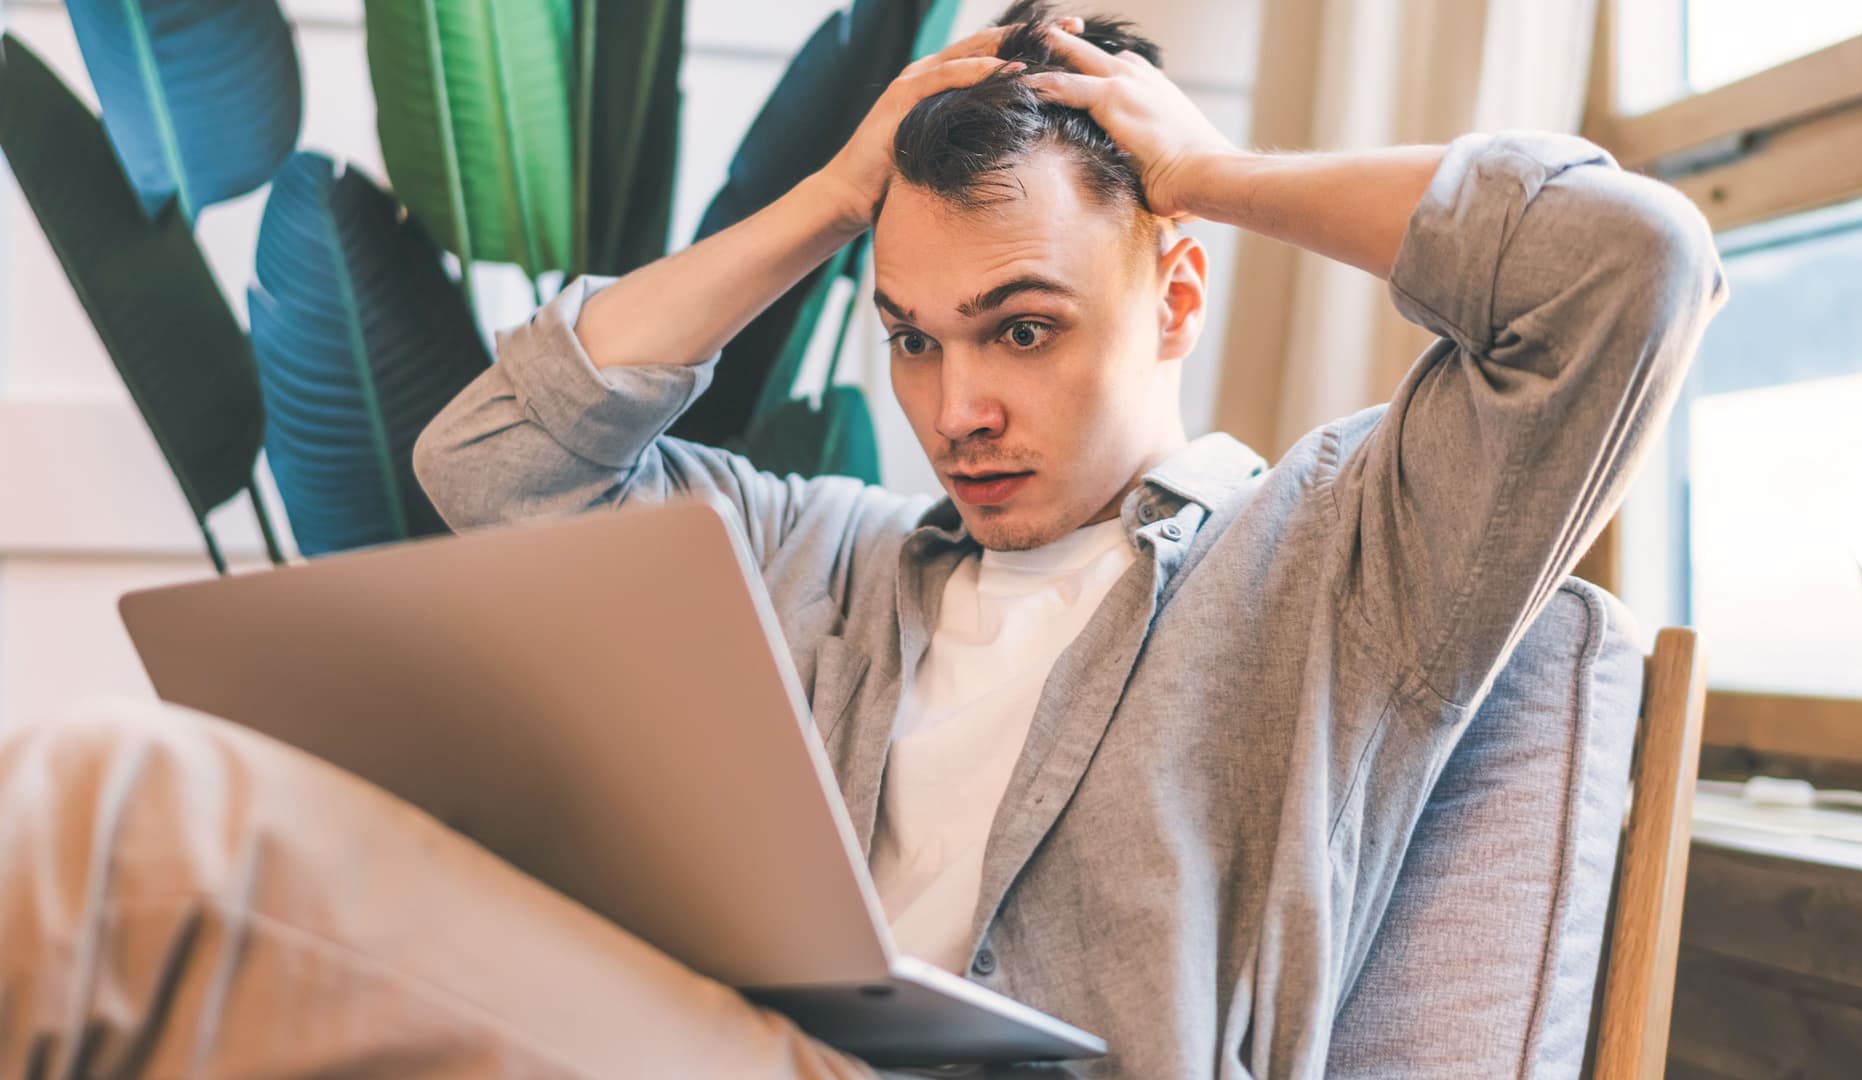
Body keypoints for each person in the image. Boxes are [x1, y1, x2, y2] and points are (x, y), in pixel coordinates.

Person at [0, 2, 1726, 1076]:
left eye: (1023, 328)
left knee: (103, 821)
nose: (955, 402)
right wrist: (839, 195)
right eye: (913, 335)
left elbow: (1629, 269)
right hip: (755, 1049)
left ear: (1174, 287)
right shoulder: (820, 558)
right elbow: (490, 467)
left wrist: (1216, 169)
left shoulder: (1344, 557)